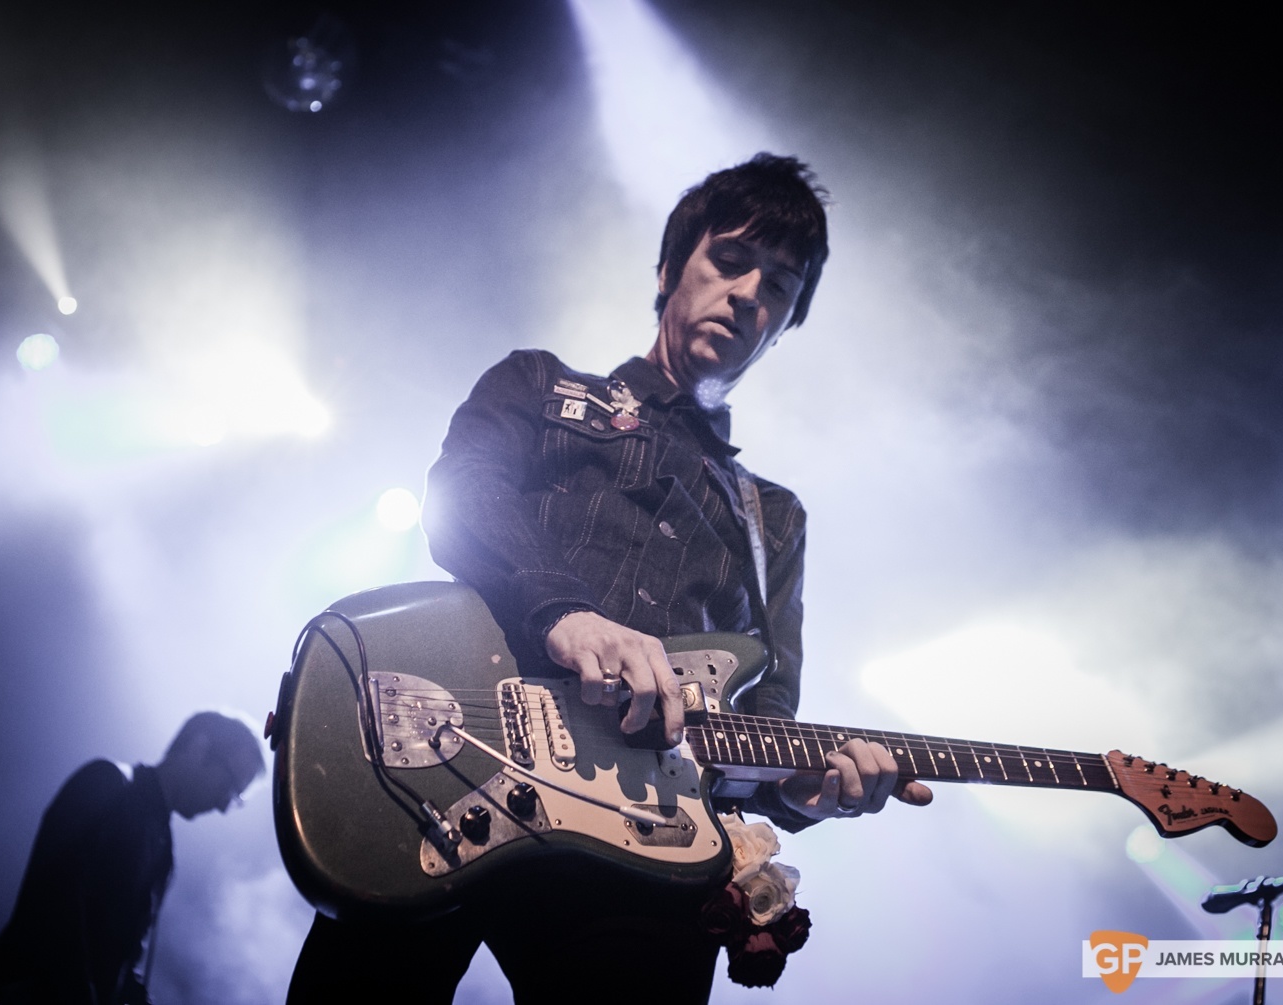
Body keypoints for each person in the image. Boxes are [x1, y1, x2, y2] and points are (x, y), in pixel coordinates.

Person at [287, 153, 932, 1004]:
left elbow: (765, 715)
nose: (748, 294)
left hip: (645, 837)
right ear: (671, 269)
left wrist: (807, 786)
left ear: (785, 324)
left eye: (778, 285)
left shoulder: (774, 519)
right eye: (731, 260)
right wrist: (565, 611)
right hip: (447, 767)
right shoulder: (539, 384)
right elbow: (462, 495)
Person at [0, 712, 265, 1005]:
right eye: (230, 787)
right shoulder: (107, 782)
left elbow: (117, 960)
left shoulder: (163, 854)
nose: (225, 806)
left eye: (235, 798)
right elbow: (51, 907)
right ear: (199, 747)